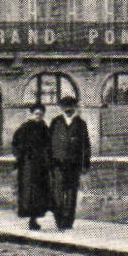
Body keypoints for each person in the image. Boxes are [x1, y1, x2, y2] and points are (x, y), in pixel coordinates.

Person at [48, 96, 92, 231]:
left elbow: (86, 146)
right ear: (61, 108)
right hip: (58, 163)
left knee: (72, 193)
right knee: (58, 193)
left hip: (74, 164)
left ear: (75, 108)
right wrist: (49, 162)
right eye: (65, 107)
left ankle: (69, 221)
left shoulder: (80, 124)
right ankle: (59, 220)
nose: (68, 109)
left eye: (71, 106)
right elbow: (48, 144)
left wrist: (85, 165)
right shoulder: (55, 122)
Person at [12, 104, 53, 230]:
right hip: (28, 165)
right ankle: (31, 218)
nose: (39, 117)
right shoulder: (24, 128)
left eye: (41, 114)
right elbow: (16, 145)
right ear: (31, 114)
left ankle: (35, 217)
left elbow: (49, 144)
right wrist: (23, 156)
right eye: (36, 114)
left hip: (41, 165)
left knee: (41, 192)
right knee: (30, 191)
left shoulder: (45, 128)